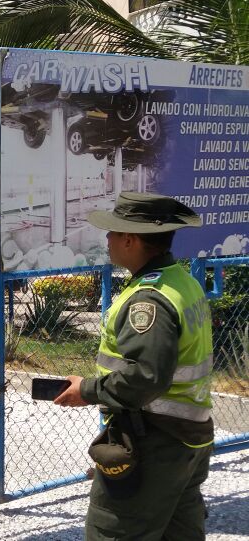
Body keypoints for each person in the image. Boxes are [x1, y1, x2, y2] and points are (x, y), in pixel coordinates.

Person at [53, 192, 214, 540]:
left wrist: (87, 389)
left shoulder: (148, 300)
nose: (107, 240)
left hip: (155, 443)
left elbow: (146, 376)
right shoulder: (181, 282)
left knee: (113, 530)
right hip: (189, 440)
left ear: (130, 239)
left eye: (112, 232)